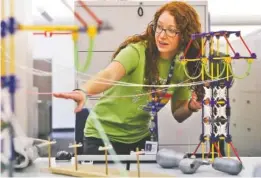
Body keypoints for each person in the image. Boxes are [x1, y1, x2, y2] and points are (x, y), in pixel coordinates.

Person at [54, 1, 206, 155]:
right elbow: (109, 74)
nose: (161, 35)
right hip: (102, 137)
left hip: (139, 139)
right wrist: (83, 91)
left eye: (171, 30)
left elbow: (178, 113)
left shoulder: (181, 68)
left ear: (186, 36)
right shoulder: (137, 51)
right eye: (159, 27)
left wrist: (190, 107)